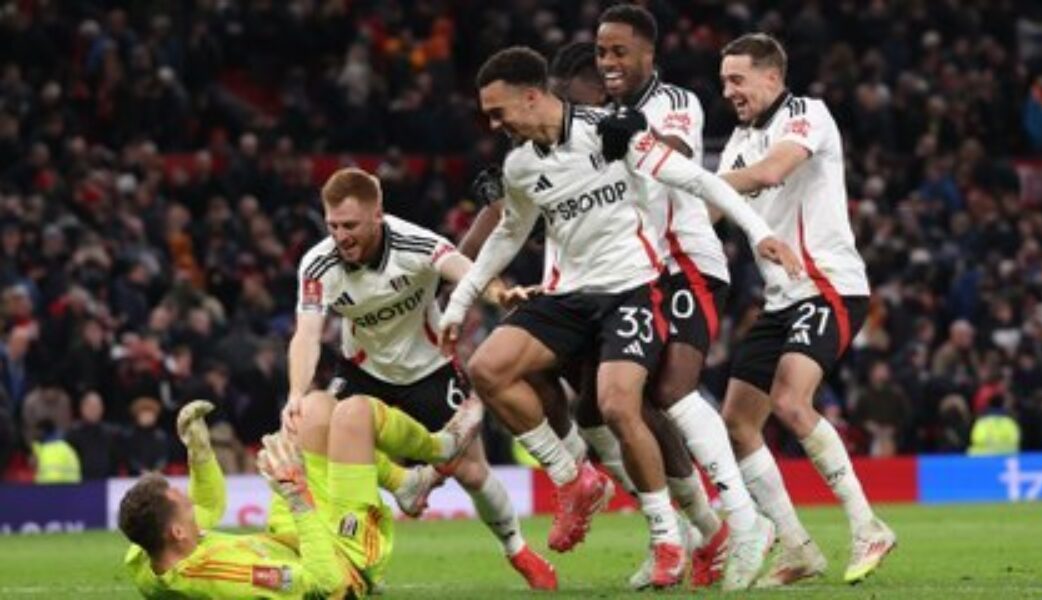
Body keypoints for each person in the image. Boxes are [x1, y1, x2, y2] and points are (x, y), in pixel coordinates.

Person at [441, 45, 798, 588]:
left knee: (618, 404)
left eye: (498, 111)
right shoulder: (519, 164)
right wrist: (461, 300)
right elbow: (510, 233)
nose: (493, 124)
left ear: (533, 96)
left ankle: (673, 540)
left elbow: (695, 178)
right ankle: (572, 478)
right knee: (489, 368)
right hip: (570, 297)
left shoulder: (610, 133)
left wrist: (759, 231)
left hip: (633, 290)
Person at [280, 167, 556, 589]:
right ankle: (349, 558)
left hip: (429, 370)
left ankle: (517, 549)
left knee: (471, 472)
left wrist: (501, 294)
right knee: (317, 426)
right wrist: (295, 393)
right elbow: (307, 333)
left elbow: (467, 271)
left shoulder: (415, 243)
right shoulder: (318, 264)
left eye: (350, 225)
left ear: (378, 216)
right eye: (333, 225)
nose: (340, 236)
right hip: (363, 371)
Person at [595, 6, 772, 589]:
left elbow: (673, 151)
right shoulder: (602, 115)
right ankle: (692, 530)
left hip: (686, 262)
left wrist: (631, 138)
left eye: (620, 51)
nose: (610, 62)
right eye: (602, 53)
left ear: (649, 54)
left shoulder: (676, 101)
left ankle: (744, 522)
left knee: (671, 390)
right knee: (624, 402)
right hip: (635, 273)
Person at [715, 33, 896, 586]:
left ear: (772, 77)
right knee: (738, 422)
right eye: (724, 82)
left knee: (793, 403)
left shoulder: (806, 115)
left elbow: (773, 172)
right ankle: (797, 546)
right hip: (778, 300)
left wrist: (702, 183)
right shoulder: (735, 143)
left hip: (829, 286)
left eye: (738, 80)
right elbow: (711, 209)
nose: (729, 92)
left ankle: (868, 527)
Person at [119, 394, 478, 598]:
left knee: (315, 407)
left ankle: (405, 484)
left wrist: (199, 452)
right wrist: (296, 496)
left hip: (292, 533)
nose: (189, 499)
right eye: (183, 501)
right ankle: (439, 448)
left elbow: (209, 505)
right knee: (355, 414)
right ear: (177, 532)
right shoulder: (231, 579)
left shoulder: (147, 556)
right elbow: (327, 584)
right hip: (342, 558)